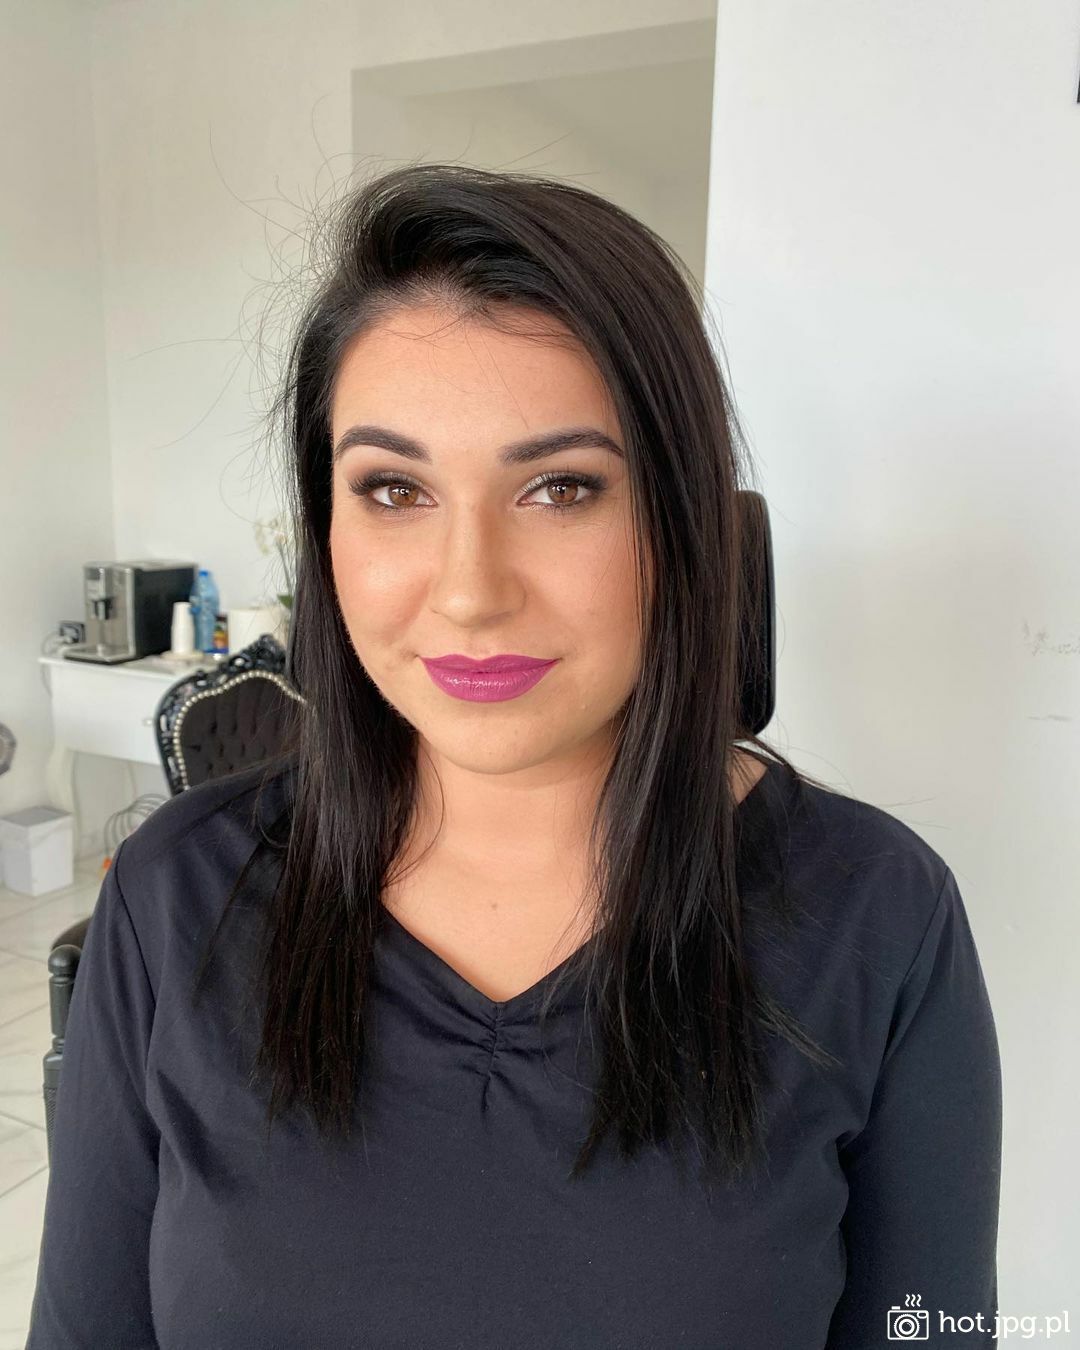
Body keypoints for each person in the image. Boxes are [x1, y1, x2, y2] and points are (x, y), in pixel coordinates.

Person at [26, 163, 1001, 1349]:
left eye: (560, 488)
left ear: (682, 522)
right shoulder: (177, 896)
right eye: (394, 489)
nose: (471, 592)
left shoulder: (877, 917)